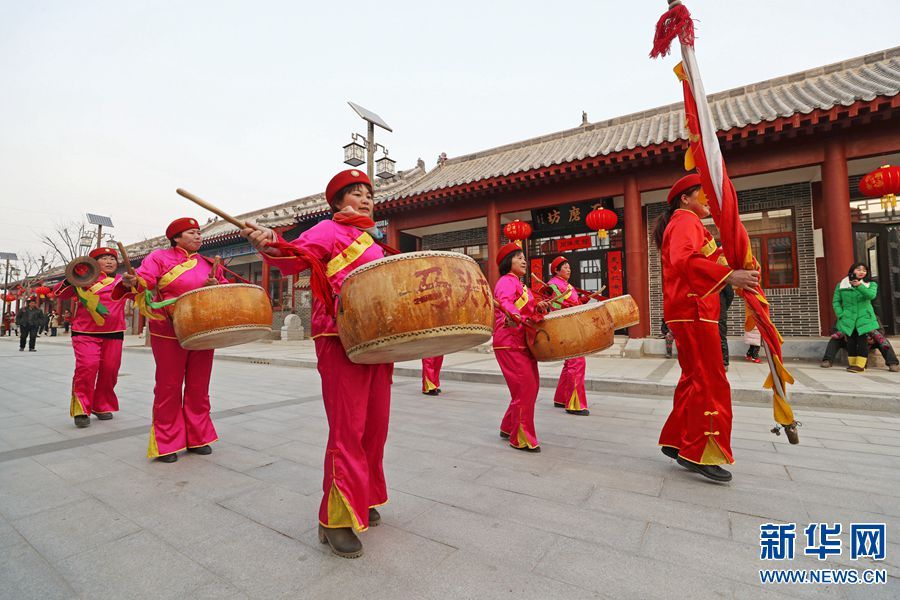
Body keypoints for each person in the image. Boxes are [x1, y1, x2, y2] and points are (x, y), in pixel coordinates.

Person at [241, 169, 393, 559]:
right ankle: (335, 519)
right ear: (338, 203)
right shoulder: (328, 230)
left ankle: (365, 497)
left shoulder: (372, 241)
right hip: (338, 336)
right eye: (355, 194)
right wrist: (270, 243)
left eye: (368, 194)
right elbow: (294, 258)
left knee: (375, 424)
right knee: (349, 426)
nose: (365, 199)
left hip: (378, 338)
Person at [652, 173, 760, 483]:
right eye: (704, 193)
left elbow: (708, 259)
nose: (709, 200)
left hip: (693, 309)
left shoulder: (689, 223)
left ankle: (677, 439)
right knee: (710, 380)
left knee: (694, 376)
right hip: (694, 309)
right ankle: (699, 451)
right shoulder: (685, 220)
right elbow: (685, 260)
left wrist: (740, 267)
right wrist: (729, 277)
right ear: (685, 198)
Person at [117, 218, 228, 462]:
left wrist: (217, 283)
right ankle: (167, 441)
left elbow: (226, 292)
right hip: (168, 329)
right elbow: (145, 280)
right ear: (176, 237)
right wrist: (134, 281)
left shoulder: (209, 263)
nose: (199, 236)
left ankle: (198, 436)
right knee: (169, 385)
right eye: (192, 232)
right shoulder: (159, 258)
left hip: (202, 329)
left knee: (199, 385)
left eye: (200, 232)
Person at [54, 248, 132, 428]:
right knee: (87, 367)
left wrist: (137, 283)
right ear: (93, 263)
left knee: (110, 370)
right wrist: (72, 277)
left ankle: (101, 405)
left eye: (112, 258)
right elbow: (59, 293)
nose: (110, 261)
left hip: (114, 333)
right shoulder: (85, 280)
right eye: (104, 258)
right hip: (85, 332)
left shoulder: (123, 281)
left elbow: (141, 294)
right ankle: (81, 408)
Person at [493, 242, 550, 452]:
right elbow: (505, 303)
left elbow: (529, 312)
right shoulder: (506, 282)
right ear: (508, 262)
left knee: (530, 387)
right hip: (509, 342)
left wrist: (539, 306)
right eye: (518, 257)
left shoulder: (522, 285)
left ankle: (508, 426)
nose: (524, 260)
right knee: (525, 388)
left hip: (523, 341)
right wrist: (513, 314)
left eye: (524, 257)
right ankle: (521, 437)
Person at [545, 255, 590, 416]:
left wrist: (582, 301)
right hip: (565, 326)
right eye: (565, 267)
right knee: (577, 361)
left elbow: (573, 304)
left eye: (569, 267)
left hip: (571, 324)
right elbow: (556, 305)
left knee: (570, 362)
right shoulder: (553, 285)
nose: (569, 269)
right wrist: (572, 304)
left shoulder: (567, 285)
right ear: (556, 270)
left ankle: (561, 397)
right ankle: (574, 403)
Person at [832, 263, 879, 373]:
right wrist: (840, 315)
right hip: (848, 317)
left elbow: (871, 296)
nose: (862, 272)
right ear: (852, 271)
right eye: (858, 269)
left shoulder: (870, 284)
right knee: (851, 340)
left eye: (864, 270)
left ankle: (860, 365)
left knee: (862, 339)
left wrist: (859, 286)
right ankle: (853, 364)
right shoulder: (841, 285)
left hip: (864, 316)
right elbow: (836, 302)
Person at [718, 284, 734, 370]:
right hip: (709, 311)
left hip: (720, 311)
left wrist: (723, 307)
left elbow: (730, 294)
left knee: (721, 337)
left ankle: (724, 362)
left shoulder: (722, 275)